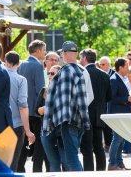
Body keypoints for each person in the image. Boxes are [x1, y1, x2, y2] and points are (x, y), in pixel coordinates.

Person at [43, 41, 90, 171]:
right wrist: (86, 121)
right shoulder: (80, 71)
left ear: (64, 53)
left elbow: (61, 100)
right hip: (79, 120)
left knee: (71, 158)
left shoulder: (65, 72)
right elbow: (83, 99)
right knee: (70, 156)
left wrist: (51, 123)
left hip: (67, 122)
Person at [17, 39, 48, 173]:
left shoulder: (21, 64)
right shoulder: (37, 66)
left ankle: (20, 169)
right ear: (38, 50)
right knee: (39, 146)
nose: (45, 52)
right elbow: (40, 90)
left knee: (23, 144)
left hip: (22, 111)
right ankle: (37, 171)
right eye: (44, 50)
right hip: (35, 112)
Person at [79, 49, 112, 171]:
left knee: (87, 149)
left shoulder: (82, 73)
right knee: (99, 147)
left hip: (85, 115)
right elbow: (109, 97)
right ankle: (101, 173)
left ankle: (88, 173)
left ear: (85, 58)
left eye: (81, 57)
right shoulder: (104, 75)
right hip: (99, 116)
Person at [4, 51, 35, 172]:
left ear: (6, 62)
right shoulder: (21, 80)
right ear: (19, 63)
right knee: (13, 161)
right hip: (16, 125)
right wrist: (28, 131)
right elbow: (22, 106)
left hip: (0, 125)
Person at [37, 65, 63, 172]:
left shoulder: (64, 90)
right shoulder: (44, 90)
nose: (50, 75)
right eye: (49, 73)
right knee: (53, 162)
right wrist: (43, 109)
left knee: (66, 160)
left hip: (61, 129)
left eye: (53, 73)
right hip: (46, 129)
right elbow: (36, 110)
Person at [108, 57, 131, 170]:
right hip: (116, 114)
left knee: (121, 138)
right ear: (120, 67)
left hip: (121, 113)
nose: (128, 68)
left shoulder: (121, 78)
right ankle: (112, 163)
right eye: (126, 66)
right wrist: (127, 98)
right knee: (117, 139)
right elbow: (111, 98)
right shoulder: (114, 79)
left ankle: (119, 162)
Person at [99, 56, 115, 152]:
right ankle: (105, 145)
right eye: (100, 64)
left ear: (109, 65)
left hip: (110, 104)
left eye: (103, 64)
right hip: (101, 104)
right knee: (103, 125)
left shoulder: (113, 75)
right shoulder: (99, 74)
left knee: (109, 126)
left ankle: (109, 145)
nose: (101, 66)